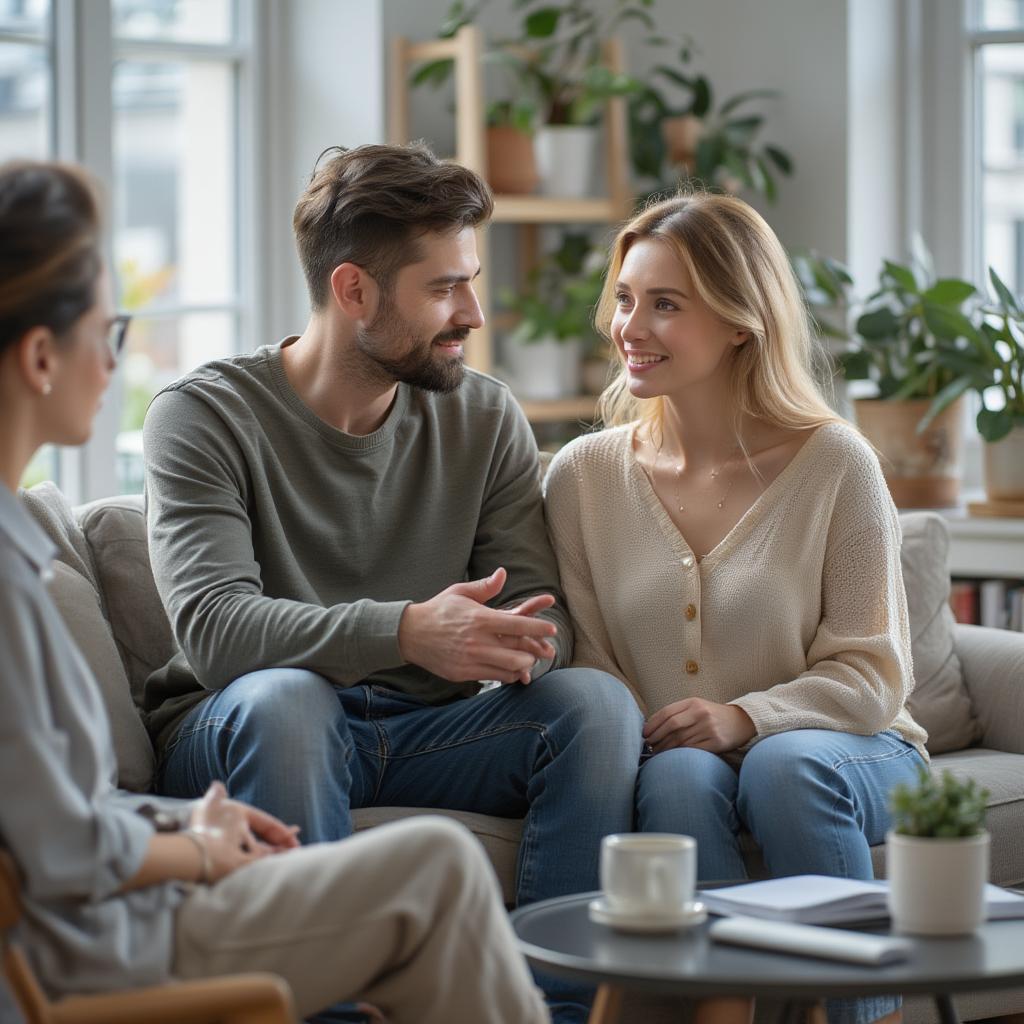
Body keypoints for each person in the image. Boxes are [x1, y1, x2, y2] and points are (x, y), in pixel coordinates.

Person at [0, 158, 551, 1024]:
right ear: (40, 355)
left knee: (552, 747)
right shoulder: (15, 575)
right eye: (110, 333)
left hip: (120, 906)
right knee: (425, 856)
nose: (117, 362)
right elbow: (59, 846)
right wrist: (194, 847)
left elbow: (52, 814)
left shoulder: (19, 554)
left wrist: (179, 829)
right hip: (101, 941)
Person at [141, 142, 643, 1022]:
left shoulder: (483, 415)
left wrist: (518, 639)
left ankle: (555, 1014)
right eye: (444, 288)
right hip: (244, 728)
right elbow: (216, 630)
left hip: (429, 729)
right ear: (353, 291)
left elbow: (544, 612)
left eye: (471, 280)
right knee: (287, 703)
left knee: (596, 709)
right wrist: (408, 631)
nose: (474, 312)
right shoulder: (205, 416)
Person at [543, 191, 929, 1024]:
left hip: (851, 749)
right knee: (679, 780)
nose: (629, 327)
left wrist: (747, 718)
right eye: (625, 298)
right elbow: (590, 664)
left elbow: (873, 674)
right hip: (673, 753)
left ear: (740, 324)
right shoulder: (581, 476)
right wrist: (681, 735)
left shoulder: (835, 463)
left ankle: (859, 1014)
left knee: (785, 768)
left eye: (666, 305)